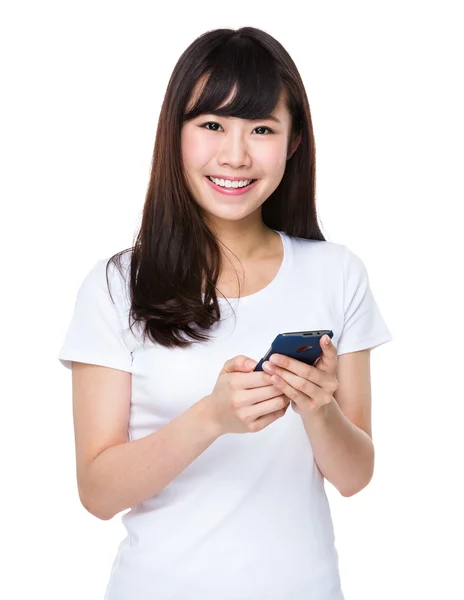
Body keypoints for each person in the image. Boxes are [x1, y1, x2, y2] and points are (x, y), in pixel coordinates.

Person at [58, 26, 392, 600]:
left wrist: (317, 409)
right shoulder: (117, 286)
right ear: (176, 135)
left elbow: (355, 477)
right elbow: (98, 493)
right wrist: (211, 417)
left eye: (261, 129)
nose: (235, 155)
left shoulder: (337, 274)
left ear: (292, 143)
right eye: (211, 124)